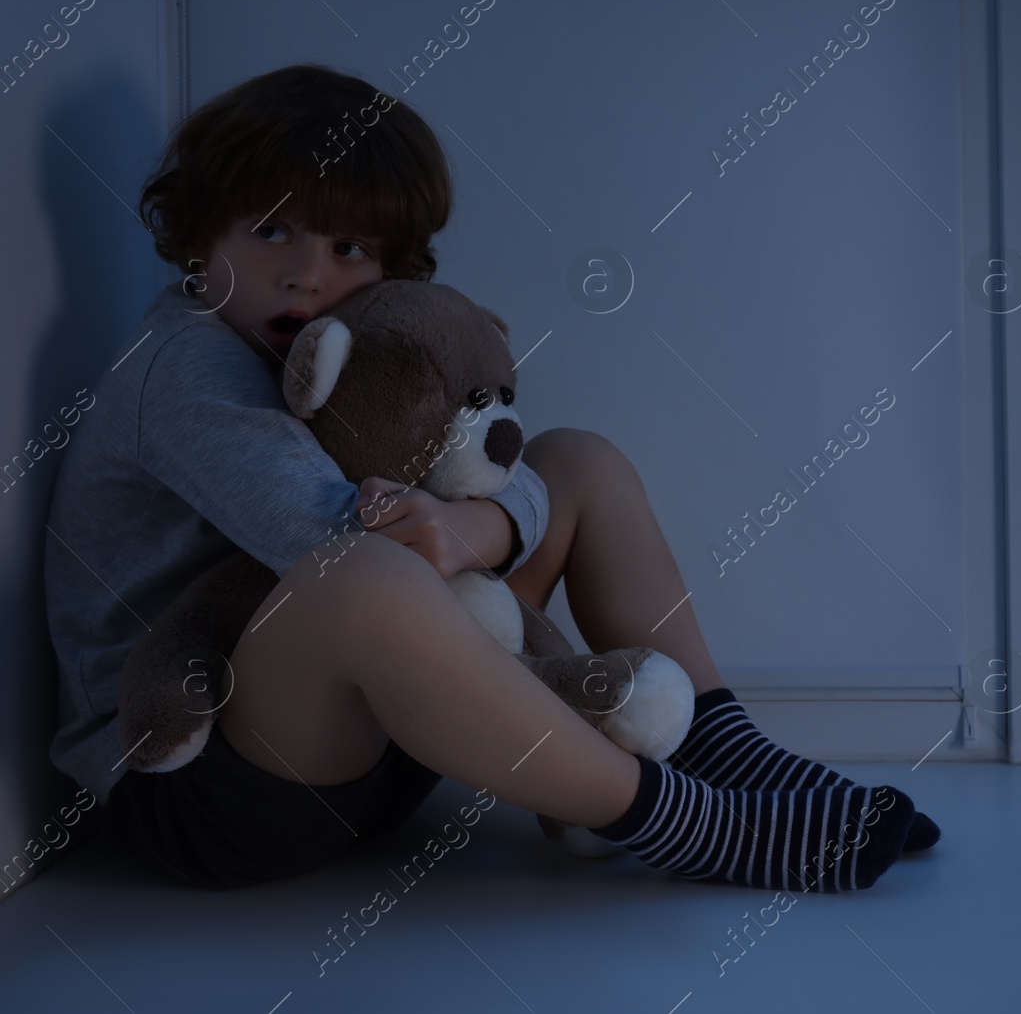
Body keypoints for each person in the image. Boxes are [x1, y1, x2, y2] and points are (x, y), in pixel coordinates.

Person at [43, 62, 937, 893]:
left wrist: (488, 527)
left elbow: (464, 495)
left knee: (578, 459)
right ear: (202, 239)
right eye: (271, 230)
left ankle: (724, 746)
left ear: (394, 268)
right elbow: (335, 539)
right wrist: (456, 531)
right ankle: (694, 826)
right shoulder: (189, 367)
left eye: (350, 246)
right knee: (365, 577)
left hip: (370, 753)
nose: (307, 275)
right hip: (199, 783)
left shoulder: (349, 363)